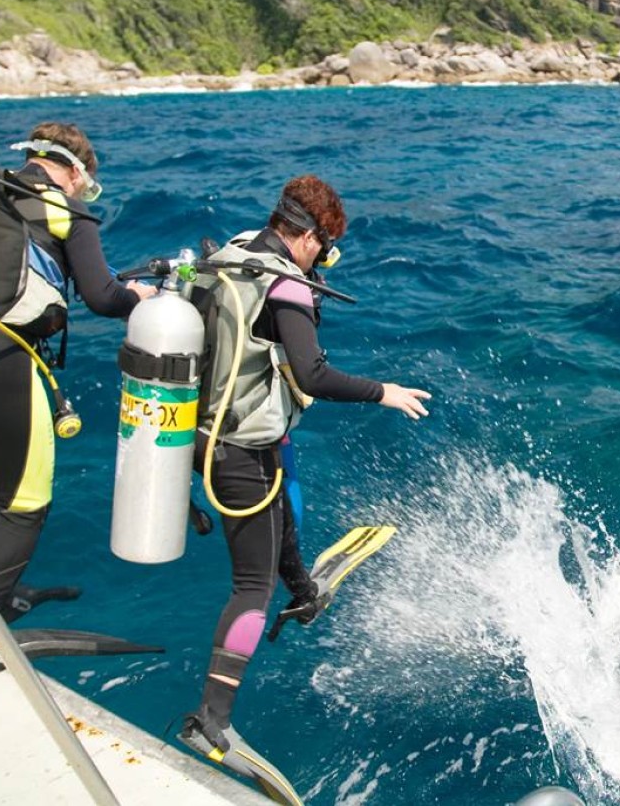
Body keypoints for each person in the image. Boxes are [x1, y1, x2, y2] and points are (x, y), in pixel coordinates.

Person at [177, 174, 431, 793]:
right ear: (311, 237)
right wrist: (384, 392)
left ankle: (304, 590)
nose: (326, 257)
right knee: (248, 589)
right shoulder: (285, 281)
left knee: (280, 503)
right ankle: (211, 721)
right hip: (240, 451)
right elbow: (311, 374)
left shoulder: (233, 252)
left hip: (208, 434)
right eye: (327, 245)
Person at [0, 121, 155, 678]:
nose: (85, 194)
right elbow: (103, 298)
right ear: (74, 170)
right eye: (88, 185)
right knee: (28, 503)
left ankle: (2, 595)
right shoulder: (62, 207)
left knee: (4, 478)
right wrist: (140, 297)